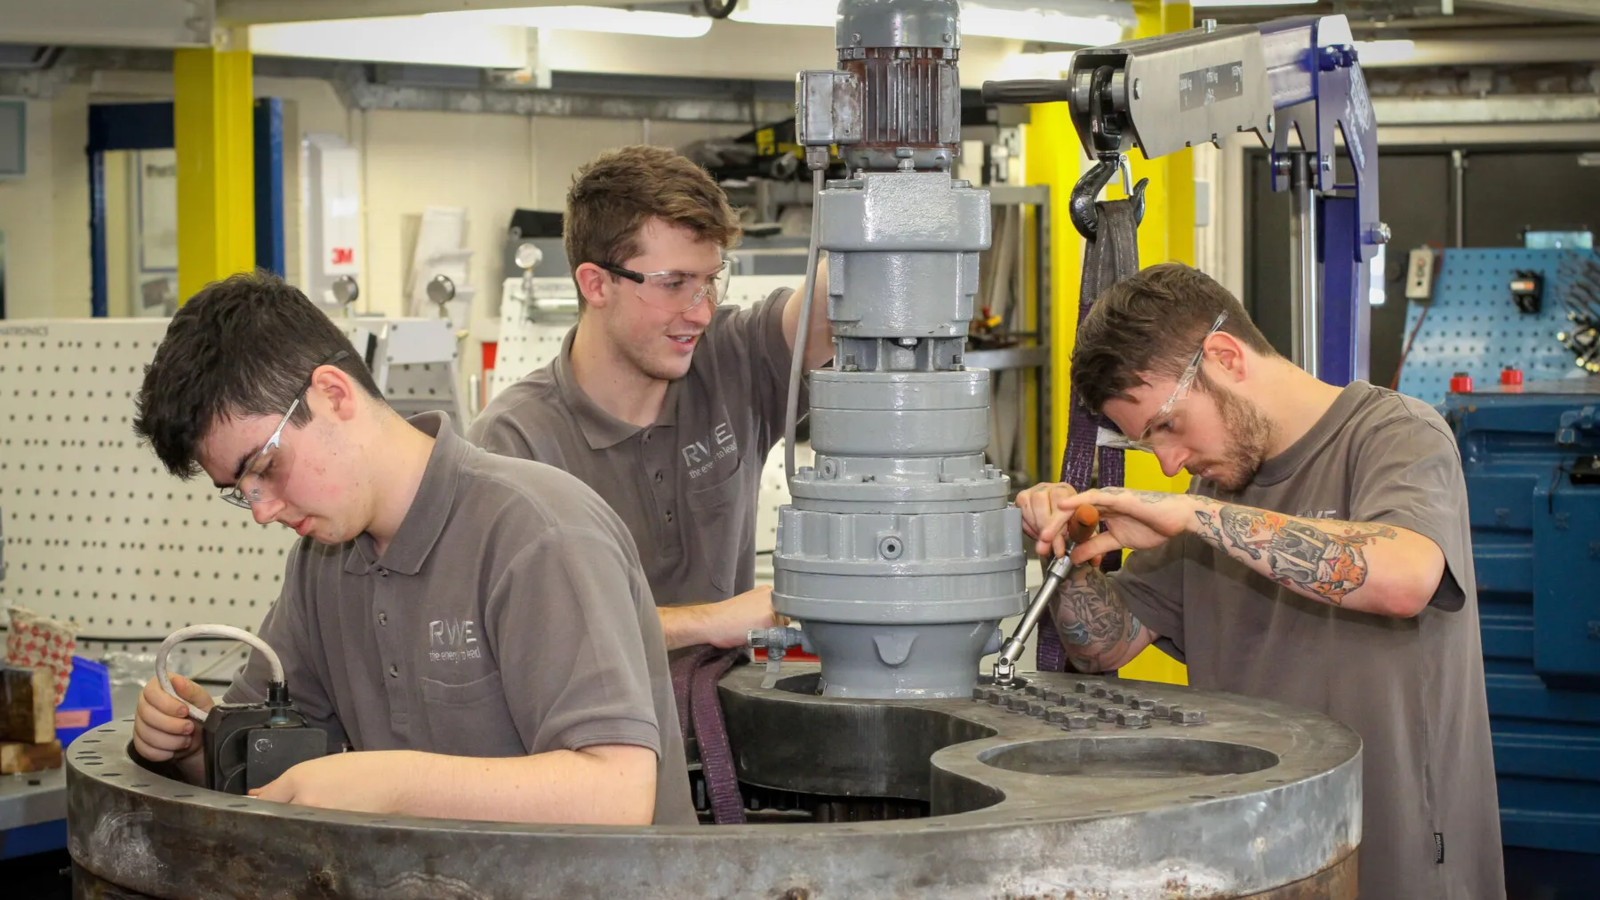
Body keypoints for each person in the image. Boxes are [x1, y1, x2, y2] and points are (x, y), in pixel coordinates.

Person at [128, 271, 695, 826]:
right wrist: (189, 745)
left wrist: (392, 786)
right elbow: (267, 770)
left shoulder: (538, 535)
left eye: (265, 468)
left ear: (333, 393)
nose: (262, 509)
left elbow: (616, 794)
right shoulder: (322, 565)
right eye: (240, 492)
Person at [1017, 263, 1504, 900]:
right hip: (1262, 856)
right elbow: (1104, 645)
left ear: (1223, 357)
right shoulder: (1212, 493)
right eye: (1146, 444)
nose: (1167, 462)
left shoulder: (1395, 435)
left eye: (1166, 424)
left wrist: (1196, 516)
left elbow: (1406, 575)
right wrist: (1070, 548)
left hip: (1398, 854)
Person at [467, 145, 832, 652]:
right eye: (674, 284)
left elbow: (836, 303)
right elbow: (526, 633)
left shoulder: (733, 359)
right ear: (596, 284)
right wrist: (710, 622)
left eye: (709, 283)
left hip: (725, 721)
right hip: (591, 729)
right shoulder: (513, 444)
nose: (700, 312)